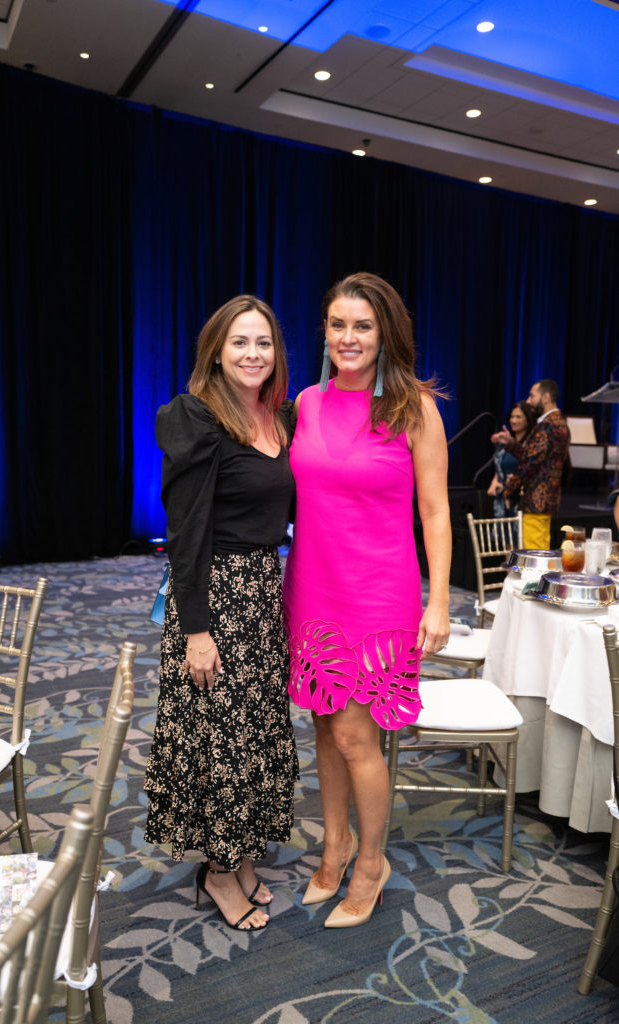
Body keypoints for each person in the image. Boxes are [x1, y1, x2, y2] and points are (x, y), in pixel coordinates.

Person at [283, 272, 451, 929]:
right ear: (323, 332)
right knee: (324, 722)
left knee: (357, 734)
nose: (348, 338)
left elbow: (435, 513)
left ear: (384, 335)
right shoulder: (307, 401)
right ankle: (335, 844)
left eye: (362, 326)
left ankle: (371, 863)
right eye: (338, 325)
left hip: (379, 594)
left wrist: (438, 603)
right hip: (312, 588)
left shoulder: (413, 408)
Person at [144, 295, 299, 932]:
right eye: (239, 342)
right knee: (218, 741)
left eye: (262, 342)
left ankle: (239, 858)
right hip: (215, 598)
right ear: (216, 349)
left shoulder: (278, 418)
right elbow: (186, 533)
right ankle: (217, 871)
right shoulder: (197, 417)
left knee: (254, 732)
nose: (252, 354)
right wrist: (197, 630)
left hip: (263, 594)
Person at [491, 379, 570, 549]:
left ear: (546, 397)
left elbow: (528, 464)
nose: (529, 400)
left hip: (536, 502)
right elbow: (534, 456)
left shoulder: (547, 426)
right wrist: (510, 443)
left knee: (534, 557)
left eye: (532, 395)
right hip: (544, 502)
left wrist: (508, 490)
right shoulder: (559, 423)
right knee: (538, 552)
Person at [486, 401, 536, 517]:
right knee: (501, 533)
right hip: (501, 499)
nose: (513, 420)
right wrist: (495, 481)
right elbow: (500, 466)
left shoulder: (531, 444)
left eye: (518, 417)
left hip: (520, 499)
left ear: (528, 419)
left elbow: (531, 465)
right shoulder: (505, 442)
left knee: (518, 533)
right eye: (512, 417)